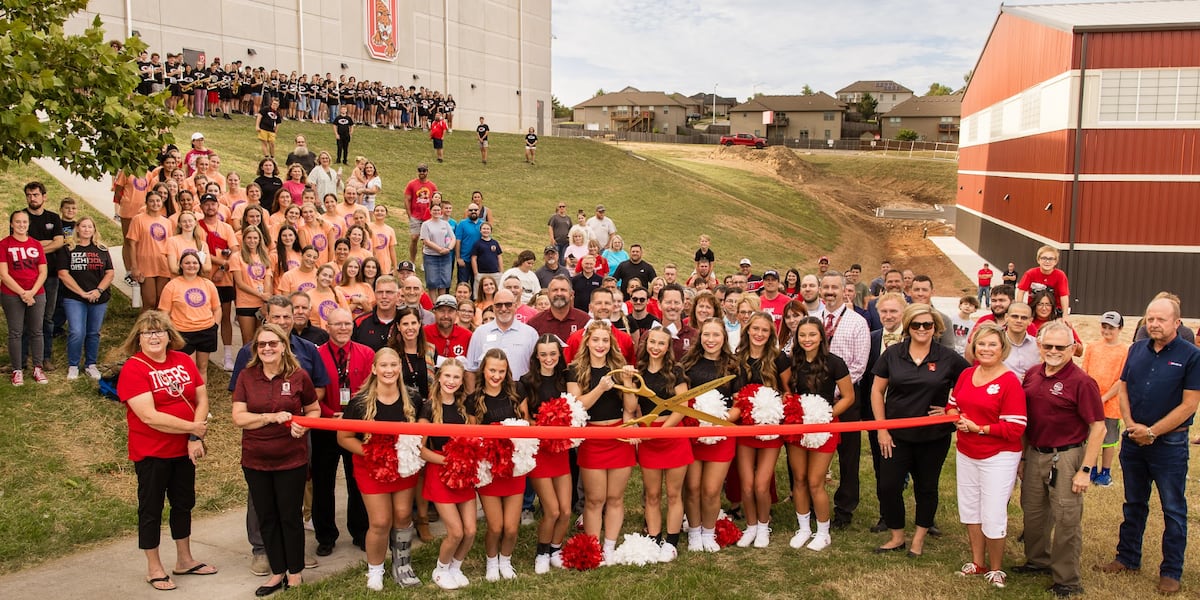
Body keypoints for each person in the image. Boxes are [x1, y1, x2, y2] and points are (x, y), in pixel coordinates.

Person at [1096, 297, 1199, 596]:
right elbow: (1124, 388)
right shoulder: (1136, 349)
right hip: (1133, 441)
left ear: (1176, 323)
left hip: (1170, 444)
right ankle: (1127, 558)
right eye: (1149, 318)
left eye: (1161, 319)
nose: (1154, 324)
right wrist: (1130, 425)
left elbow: (1190, 404)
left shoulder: (1191, 356)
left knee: (1173, 509)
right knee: (1134, 503)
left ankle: (1171, 571)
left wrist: (1152, 431)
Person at [116, 311, 215, 591]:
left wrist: (195, 435)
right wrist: (192, 426)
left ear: (170, 335)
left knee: (184, 504)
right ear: (138, 338)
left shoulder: (183, 360)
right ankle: (154, 567)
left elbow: (202, 395)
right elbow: (149, 416)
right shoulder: (135, 368)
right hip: (152, 452)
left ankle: (184, 559)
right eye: (148, 332)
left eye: (160, 331)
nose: (155, 336)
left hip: (184, 449)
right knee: (151, 509)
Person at [1014, 321, 1105, 598]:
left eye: (1060, 346)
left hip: (1066, 456)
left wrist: (1085, 470)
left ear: (1072, 348)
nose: (1053, 351)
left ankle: (1068, 579)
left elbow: (1098, 427)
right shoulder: (1032, 374)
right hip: (1035, 452)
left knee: (1066, 517)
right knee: (1033, 510)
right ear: (1039, 346)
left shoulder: (1082, 382)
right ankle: (1038, 560)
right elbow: (1025, 420)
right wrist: (1023, 457)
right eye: (1048, 345)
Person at [871, 303, 969, 557]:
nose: (922, 329)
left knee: (926, 487)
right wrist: (882, 429)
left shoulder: (947, 357)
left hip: (933, 437)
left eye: (928, 324)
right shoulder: (893, 354)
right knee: (888, 486)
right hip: (895, 435)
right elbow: (877, 391)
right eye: (916, 324)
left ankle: (918, 539)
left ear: (935, 327)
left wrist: (950, 411)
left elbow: (971, 386)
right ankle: (896, 536)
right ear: (908, 327)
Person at [232, 323, 319, 597]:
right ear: (256, 349)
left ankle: (294, 573)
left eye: (273, 343)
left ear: (283, 346)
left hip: (291, 459)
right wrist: (269, 418)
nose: (267, 348)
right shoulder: (247, 376)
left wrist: (303, 425)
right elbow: (238, 417)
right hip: (255, 459)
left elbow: (313, 409)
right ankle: (276, 572)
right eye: (262, 344)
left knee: (290, 517)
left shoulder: (298, 376)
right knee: (266, 517)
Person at [946, 323, 1026, 588]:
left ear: (1002, 349)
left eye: (992, 344)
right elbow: (952, 405)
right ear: (973, 346)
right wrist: (954, 418)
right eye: (981, 344)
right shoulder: (967, 375)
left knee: (992, 512)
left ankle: (996, 568)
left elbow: (1015, 428)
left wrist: (979, 428)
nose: (986, 349)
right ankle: (977, 562)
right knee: (970, 508)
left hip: (998, 455)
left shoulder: (1009, 381)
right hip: (967, 451)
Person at [337, 348, 423, 590]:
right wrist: (374, 453)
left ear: (400, 368)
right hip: (371, 467)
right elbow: (344, 437)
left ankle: (402, 564)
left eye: (393, 365)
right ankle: (375, 570)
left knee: (404, 515)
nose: (389, 370)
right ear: (374, 369)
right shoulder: (359, 402)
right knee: (380, 521)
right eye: (383, 365)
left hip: (403, 466)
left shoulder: (413, 398)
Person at [568, 321, 637, 563]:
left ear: (611, 344)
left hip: (618, 436)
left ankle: (609, 546)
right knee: (595, 498)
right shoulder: (575, 369)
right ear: (587, 341)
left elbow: (630, 407)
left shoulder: (618, 368)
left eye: (605, 340)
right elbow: (576, 405)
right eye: (595, 340)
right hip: (593, 437)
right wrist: (600, 388)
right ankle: (593, 546)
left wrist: (627, 382)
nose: (600, 345)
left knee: (615, 498)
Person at [785, 316, 855, 552]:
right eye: (802, 335)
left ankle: (823, 532)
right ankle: (804, 527)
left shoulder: (835, 362)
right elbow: (784, 392)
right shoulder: (791, 362)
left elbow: (848, 397)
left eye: (812, 335)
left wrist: (826, 415)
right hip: (797, 425)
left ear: (822, 337)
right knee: (800, 479)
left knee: (816, 481)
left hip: (824, 425)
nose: (807, 339)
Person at [811, 272, 870, 530]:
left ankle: (845, 508)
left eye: (835, 287)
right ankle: (814, 504)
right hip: (814, 402)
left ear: (846, 291)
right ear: (820, 291)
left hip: (845, 399)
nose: (830, 291)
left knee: (848, 456)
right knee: (815, 453)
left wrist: (836, 391)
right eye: (826, 287)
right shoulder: (812, 321)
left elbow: (860, 364)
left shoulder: (857, 322)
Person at [313, 309, 371, 559]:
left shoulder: (366, 353)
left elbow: (370, 390)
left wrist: (352, 417)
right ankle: (325, 536)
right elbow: (311, 393)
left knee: (356, 481)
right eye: (337, 324)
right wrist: (328, 415)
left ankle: (360, 532)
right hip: (325, 426)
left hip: (354, 427)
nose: (343, 328)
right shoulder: (316, 355)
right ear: (328, 327)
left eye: (347, 323)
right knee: (322, 484)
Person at [469, 349, 529, 581]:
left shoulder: (516, 392)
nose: (496, 375)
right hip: (489, 469)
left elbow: (525, 423)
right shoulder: (473, 400)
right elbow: (473, 436)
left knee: (512, 528)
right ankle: (491, 562)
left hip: (514, 467)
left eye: (501, 371)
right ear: (483, 369)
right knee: (495, 526)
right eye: (492, 370)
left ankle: (506, 560)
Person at [635, 326, 694, 562]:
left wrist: (662, 431)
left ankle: (671, 542)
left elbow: (683, 407)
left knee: (673, 493)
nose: (656, 347)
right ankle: (653, 537)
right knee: (651, 494)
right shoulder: (638, 371)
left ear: (668, 347)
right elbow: (631, 406)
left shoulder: (676, 372)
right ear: (646, 344)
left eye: (661, 343)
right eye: (652, 342)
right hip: (649, 437)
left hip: (673, 435)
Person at [731, 312, 789, 549]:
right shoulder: (737, 358)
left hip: (770, 428)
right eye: (755, 329)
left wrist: (775, 406)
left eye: (765, 330)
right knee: (746, 485)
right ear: (747, 330)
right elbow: (733, 391)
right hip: (744, 427)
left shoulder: (779, 358)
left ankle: (764, 526)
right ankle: (751, 526)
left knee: (761, 485)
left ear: (771, 334)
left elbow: (788, 391)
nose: (759, 334)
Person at [680, 318, 738, 552]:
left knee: (712, 489)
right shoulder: (687, 364)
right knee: (692, 487)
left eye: (716, 335)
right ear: (699, 337)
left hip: (721, 434)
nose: (711, 340)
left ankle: (709, 530)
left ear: (724, 337)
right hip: (693, 434)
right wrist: (696, 420)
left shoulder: (734, 365)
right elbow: (679, 399)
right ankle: (694, 531)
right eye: (706, 335)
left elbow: (739, 402)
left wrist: (719, 420)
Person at [419, 359, 477, 590]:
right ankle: (440, 569)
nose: (451, 381)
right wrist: (448, 460)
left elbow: (473, 439)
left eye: (457, 377)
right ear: (439, 377)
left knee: (471, 531)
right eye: (448, 376)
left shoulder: (465, 407)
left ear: (462, 381)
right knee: (455, 531)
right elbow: (420, 449)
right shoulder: (428, 407)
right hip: (440, 471)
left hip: (464, 473)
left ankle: (455, 566)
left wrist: (466, 459)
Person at [520, 335, 573, 572]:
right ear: (536, 356)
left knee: (566, 510)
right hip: (539, 451)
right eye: (543, 354)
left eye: (553, 354)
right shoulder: (526, 382)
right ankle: (541, 552)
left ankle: (555, 549)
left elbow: (575, 408)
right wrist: (541, 426)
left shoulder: (566, 378)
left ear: (559, 355)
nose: (548, 358)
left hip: (560, 451)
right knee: (551, 509)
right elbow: (524, 419)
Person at [58, 217, 114, 380]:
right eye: (83, 226)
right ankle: (73, 365)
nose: (87, 229)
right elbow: (63, 273)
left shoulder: (102, 249)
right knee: (76, 331)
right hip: (74, 298)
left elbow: (109, 273)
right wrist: (81, 293)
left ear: (94, 229)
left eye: (90, 226)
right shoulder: (68, 248)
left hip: (99, 298)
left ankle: (91, 364)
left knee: (93, 332)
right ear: (77, 228)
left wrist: (98, 290)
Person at [1080, 311, 1128, 486]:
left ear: (1120, 329)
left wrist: (1105, 397)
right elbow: (1084, 371)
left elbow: (1122, 379)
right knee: (1089, 435)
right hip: (1091, 400)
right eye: (1104, 327)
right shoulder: (1092, 347)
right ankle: (1090, 466)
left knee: (1109, 439)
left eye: (1111, 328)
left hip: (1111, 402)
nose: (1107, 331)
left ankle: (1105, 471)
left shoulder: (1125, 351)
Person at [1, 210, 49, 385]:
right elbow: (4, 274)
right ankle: (17, 370)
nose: (21, 225)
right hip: (12, 294)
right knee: (15, 332)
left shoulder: (36, 245)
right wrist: (22, 293)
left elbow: (43, 272)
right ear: (12, 224)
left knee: (37, 331)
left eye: (24, 222)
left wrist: (32, 292)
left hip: (37, 293)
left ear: (29, 224)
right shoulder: (4, 244)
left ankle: (38, 367)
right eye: (18, 222)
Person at [159, 253, 221, 380]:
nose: (191, 266)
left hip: (206, 330)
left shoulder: (207, 284)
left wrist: (215, 325)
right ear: (181, 265)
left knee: (202, 367)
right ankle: (189, 397)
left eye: (194, 263)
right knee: (188, 368)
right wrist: (170, 332)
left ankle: (201, 396)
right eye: (187, 263)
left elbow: (217, 308)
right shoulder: (172, 285)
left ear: (199, 265)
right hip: (183, 332)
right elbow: (164, 312)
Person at [464, 289, 538, 390]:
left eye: (508, 304)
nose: (503, 309)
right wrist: (472, 399)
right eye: (499, 305)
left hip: (521, 396)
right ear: (493, 308)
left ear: (515, 306)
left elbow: (536, 369)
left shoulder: (530, 334)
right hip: (487, 398)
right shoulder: (480, 333)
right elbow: (470, 369)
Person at [1017, 245, 1070, 319]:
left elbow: (1064, 296)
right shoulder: (1030, 273)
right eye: (1044, 258)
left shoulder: (1060, 275)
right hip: (1034, 310)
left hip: (1054, 311)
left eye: (1051, 259)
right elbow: (1021, 292)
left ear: (1056, 261)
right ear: (1038, 260)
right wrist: (1020, 310)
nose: (1047, 261)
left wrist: (1065, 314)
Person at [420, 203, 456, 297]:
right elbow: (426, 241)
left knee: (444, 281)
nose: (436, 212)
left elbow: (453, 238)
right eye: (434, 210)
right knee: (432, 281)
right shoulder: (426, 224)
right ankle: (433, 303)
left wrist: (448, 249)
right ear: (430, 211)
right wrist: (439, 249)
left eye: (438, 210)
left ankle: (441, 301)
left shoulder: (445, 224)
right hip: (431, 256)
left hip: (445, 256)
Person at [403, 164, 437, 264]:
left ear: (427, 171)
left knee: (426, 240)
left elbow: (436, 200)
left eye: (424, 170)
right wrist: (409, 214)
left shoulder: (432, 186)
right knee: (414, 238)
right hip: (415, 215)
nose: (422, 172)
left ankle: (424, 261)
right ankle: (412, 261)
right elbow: (407, 199)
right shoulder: (412, 184)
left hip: (428, 216)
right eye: (420, 170)